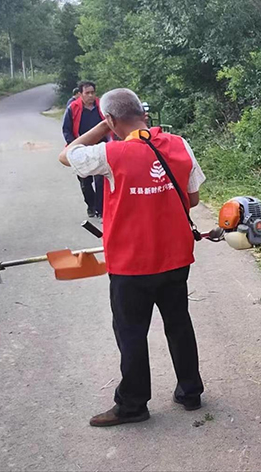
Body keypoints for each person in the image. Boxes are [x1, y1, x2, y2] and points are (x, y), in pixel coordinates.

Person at [58, 88, 206, 427]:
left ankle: (133, 404)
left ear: (111, 120)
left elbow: (67, 155)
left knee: (131, 332)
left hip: (131, 264)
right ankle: (190, 392)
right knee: (179, 323)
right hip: (175, 257)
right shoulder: (179, 144)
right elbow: (193, 198)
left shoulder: (110, 153)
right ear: (144, 113)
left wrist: (103, 128)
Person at [62, 81, 105, 218]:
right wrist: (73, 146)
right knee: (85, 181)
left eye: (93, 92)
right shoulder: (73, 108)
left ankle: (101, 209)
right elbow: (67, 130)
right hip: (81, 149)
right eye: (87, 93)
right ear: (80, 94)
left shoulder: (102, 106)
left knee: (101, 180)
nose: (90, 96)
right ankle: (91, 205)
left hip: (100, 148)